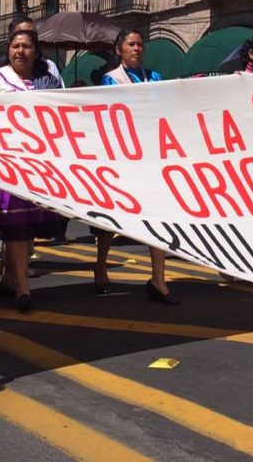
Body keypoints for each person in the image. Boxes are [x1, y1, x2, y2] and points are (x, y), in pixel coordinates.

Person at [0, 29, 68, 312]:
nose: (20, 51)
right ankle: (23, 286)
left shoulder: (47, 82)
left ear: (36, 51)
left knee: (26, 229)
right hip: (6, 164)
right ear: (8, 50)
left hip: (37, 165)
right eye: (15, 46)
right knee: (13, 226)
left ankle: (12, 278)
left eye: (26, 46)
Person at [95, 28, 178, 305]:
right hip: (122, 159)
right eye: (131, 44)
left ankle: (158, 279)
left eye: (141, 44)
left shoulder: (155, 77)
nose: (137, 49)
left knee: (158, 215)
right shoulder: (111, 79)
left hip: (151, 157)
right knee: (111, 219)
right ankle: (101, 264)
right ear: (119, 49)